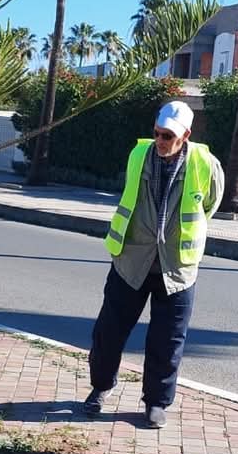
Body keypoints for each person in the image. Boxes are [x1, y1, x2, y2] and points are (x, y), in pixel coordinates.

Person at [84, 100, 224, 428]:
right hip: (132, 258)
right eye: (158, 133)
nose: (160, 141)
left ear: (185, 135)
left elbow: (211, 203)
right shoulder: (139, 155)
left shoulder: (206, 164)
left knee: (168, 340)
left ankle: (156, 403)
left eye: (168, 136)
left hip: (177, 266)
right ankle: (100, 388)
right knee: (109, 331)